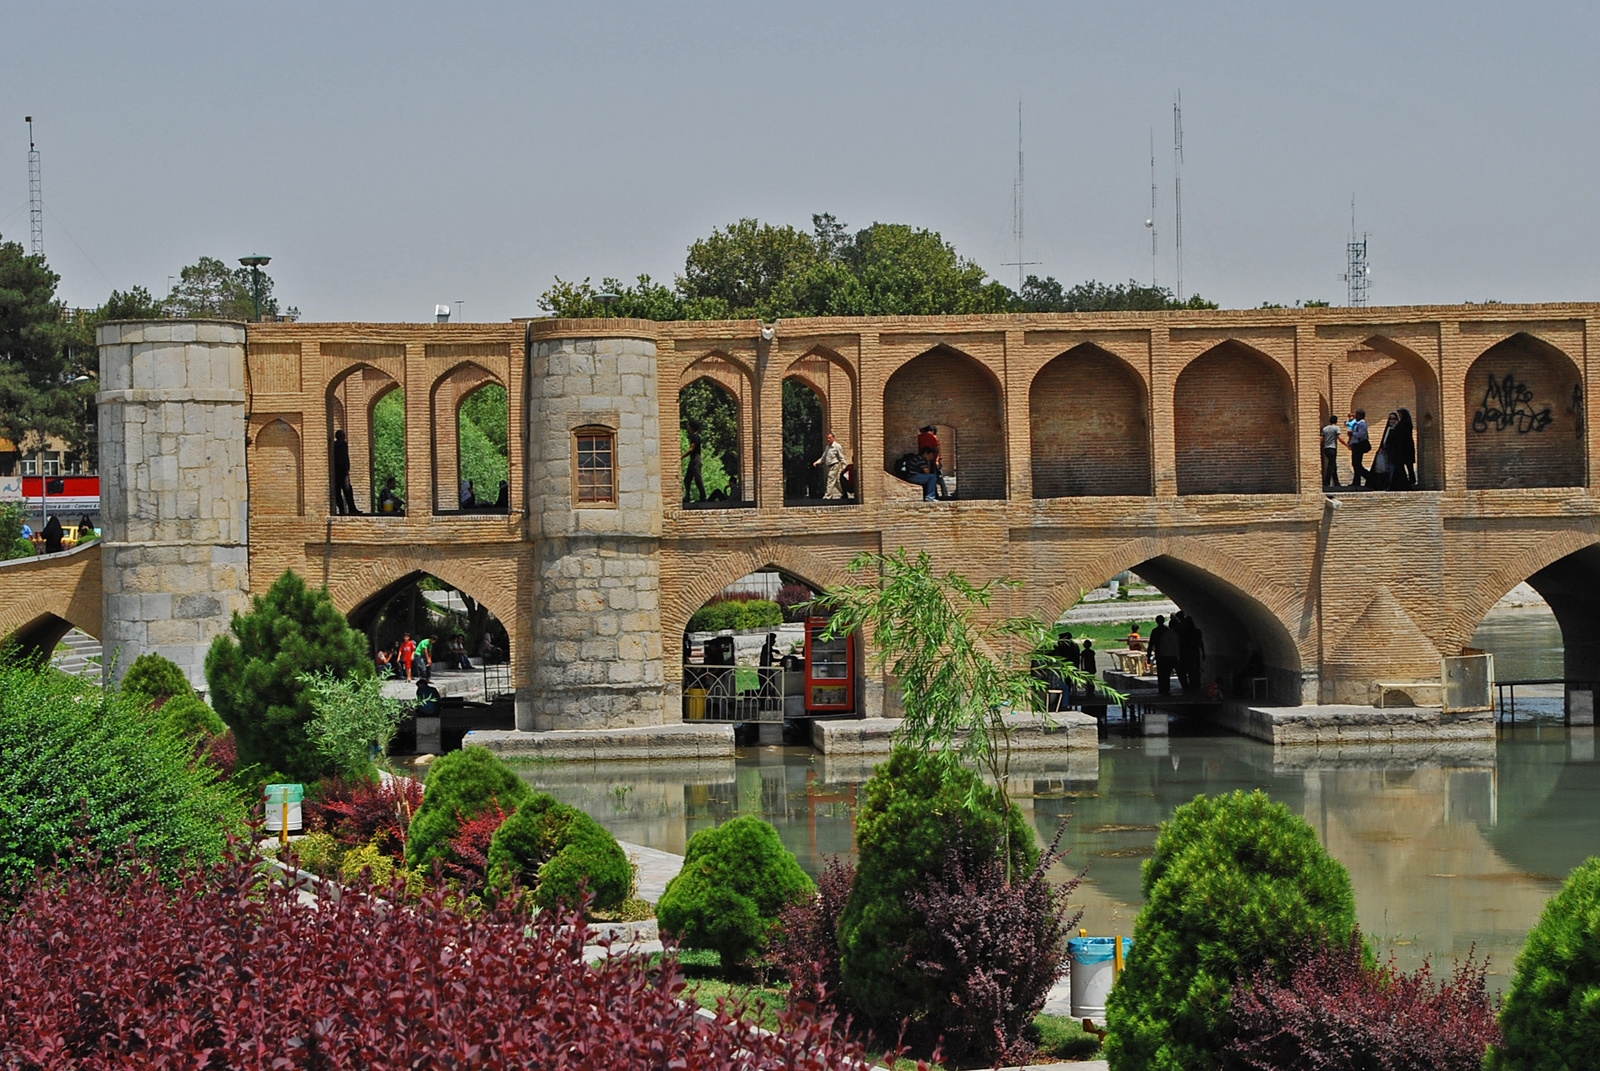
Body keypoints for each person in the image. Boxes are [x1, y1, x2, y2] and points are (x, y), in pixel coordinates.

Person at [332, 429, 360, 515]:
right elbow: (345, 458)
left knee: (337, 491)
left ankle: (341, 510)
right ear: (341, 436)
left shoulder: (334, 445)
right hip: (342, 472)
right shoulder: (343, 445)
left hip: (335, 472)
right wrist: (346, 470)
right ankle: (352, 509)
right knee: (347, 490)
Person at [917, 425, 950, 499]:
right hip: (932, 460)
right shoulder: (932, 437)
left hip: (920, 460)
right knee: (935, 477)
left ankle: (928, 495)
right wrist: (936, 459)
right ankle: (937, 494)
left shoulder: (919, 437)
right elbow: (936, 449)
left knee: (926, 478)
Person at [1388, 408, 1417, 491]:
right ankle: (1410, 480)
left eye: (1400, 414)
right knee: (1408, 464)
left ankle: (1410, 481)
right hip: (1405, 447)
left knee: (1407, 464)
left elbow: (1399, 434)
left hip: (1405, 447)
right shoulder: (1405, 423)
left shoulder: (1405, 423)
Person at [813, 431, 847, 500]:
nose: (828, 439)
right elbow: (823, 457)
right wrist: (817, 462)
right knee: (836, 482)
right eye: (827, 438)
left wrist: (844, 467)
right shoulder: (827, 447)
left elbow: (841, 457)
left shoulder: (837, 446)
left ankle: (827, 496)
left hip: (835, 465)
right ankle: (844, 493)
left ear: (833, 438)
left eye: (829, 438)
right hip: (829, 466)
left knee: (830, 480)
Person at [1150, 614, 1179, 694]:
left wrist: (1148, 654)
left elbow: (1151, 644)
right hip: (1168, 654)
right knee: (1167, 673)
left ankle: (1162, 689)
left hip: (1159, 654)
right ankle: (1166, 689)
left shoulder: (1155, 631)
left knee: (1161, 673)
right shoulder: (1167, 631)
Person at [1178, 613, 1206, 694]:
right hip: (1195, 652)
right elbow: (1201, 643)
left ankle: (1190, 685)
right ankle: (1196, 685)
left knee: (1188, 670)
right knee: (1195, 669)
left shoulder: (1184, 632)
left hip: (1186, 653)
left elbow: (1181, 643)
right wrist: (1203, 653)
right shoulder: (1197, 631)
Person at [1371, 411, 1399, 490]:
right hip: (1385, 452)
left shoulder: (1396, 429)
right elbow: (1384, 439)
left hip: (1393, 453)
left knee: (1392, 468)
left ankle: (1391, 484)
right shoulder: (1388, 428)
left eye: (1393, 419)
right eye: (1390, 418)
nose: (1391, 420)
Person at [1346, 409, 1371, 489]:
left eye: (1356, 415)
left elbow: (1361, 434)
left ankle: (1369, 477)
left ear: (1360, 416)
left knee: (1357, 464)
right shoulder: (1358, 424)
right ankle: (1356, 481)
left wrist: (1352, 433)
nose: (1355, 416)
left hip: (1359, 446)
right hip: (1356, 446)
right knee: (1356, 464)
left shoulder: (1362, 424)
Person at [684, 420, 707, 502]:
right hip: (693, 460)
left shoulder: (695, 437)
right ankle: (687, 496)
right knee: (687, 479)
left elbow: (692, 448)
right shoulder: (695, 436)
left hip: (696, 460)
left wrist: (682, 456)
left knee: (698, 479)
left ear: (692, 427)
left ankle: (703, 497)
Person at [1321, 418, 1342, 489]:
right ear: (1336, 421)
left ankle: (1336, 482)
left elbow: (1321, 439)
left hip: (1326, 448)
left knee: (1333, 465)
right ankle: (1326, 482)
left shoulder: (1325, 429)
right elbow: (1340, 438)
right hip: (1332, 448)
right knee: (1331, 465)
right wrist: (1347, 445)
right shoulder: (1336, 428)